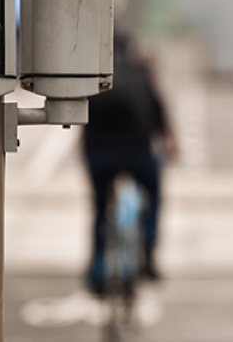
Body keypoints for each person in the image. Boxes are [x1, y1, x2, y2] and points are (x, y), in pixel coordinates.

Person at [82, 30, 176, 295]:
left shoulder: (93, 74)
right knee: (154, 193)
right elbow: (157, 109)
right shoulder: (140, 70)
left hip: (98, 153)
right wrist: (170, 142)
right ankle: (147, 253)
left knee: (100, 208)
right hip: (137, 152)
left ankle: (99, 269)